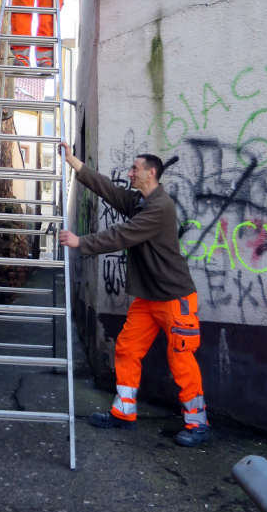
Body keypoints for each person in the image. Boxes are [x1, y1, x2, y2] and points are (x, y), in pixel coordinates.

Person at [58, 143, 210, 447]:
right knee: (127, 349)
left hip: (173, 298)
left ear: (150, 173)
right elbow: (109, 191)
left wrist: (80, 241)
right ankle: (124, 413)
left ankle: (197, 422)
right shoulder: (141, 201)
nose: (130, 173)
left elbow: (122, 234)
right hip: (148, 297)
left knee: (180, 358)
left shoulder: (159, 208)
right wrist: (74, 162)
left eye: (135, 169)